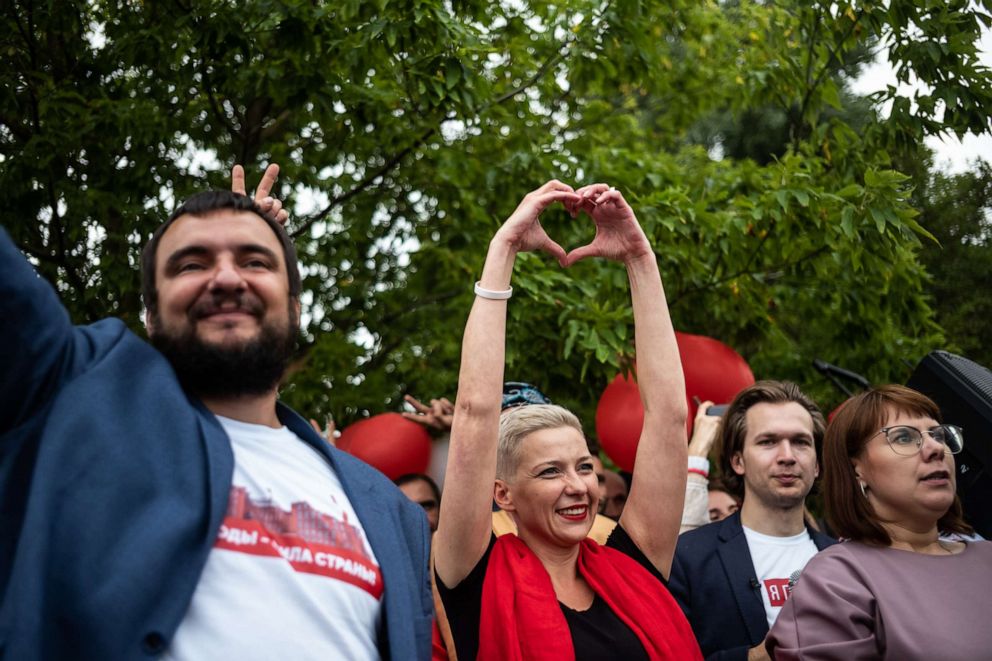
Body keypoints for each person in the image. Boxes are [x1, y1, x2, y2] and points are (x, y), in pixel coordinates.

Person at [0, 167, 432, 660]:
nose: (227, 278)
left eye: (255, 262)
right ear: (151, 314)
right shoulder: (73, 393)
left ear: (294, 307)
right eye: (190, 265)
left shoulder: (393, 511)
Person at [432, 180, 702, 660]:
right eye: (550, 471)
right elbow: (475, 411)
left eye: (583, 466)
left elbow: (668, 417)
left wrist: (640, 260)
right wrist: (504, 248)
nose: (577, 485)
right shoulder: (470, 571)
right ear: (502, 493)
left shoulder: (631, 565)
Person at [768, 384, 992, 660]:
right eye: (904, 438)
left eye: (938, 434)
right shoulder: (837, 580)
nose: (935, 448)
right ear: (857, 469)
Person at [668, 380, 836, 661]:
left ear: (817, 464)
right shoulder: (689, 559)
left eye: (801, 442)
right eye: (768, 442)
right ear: (738, 461)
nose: (787, 456)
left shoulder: (844, 559)